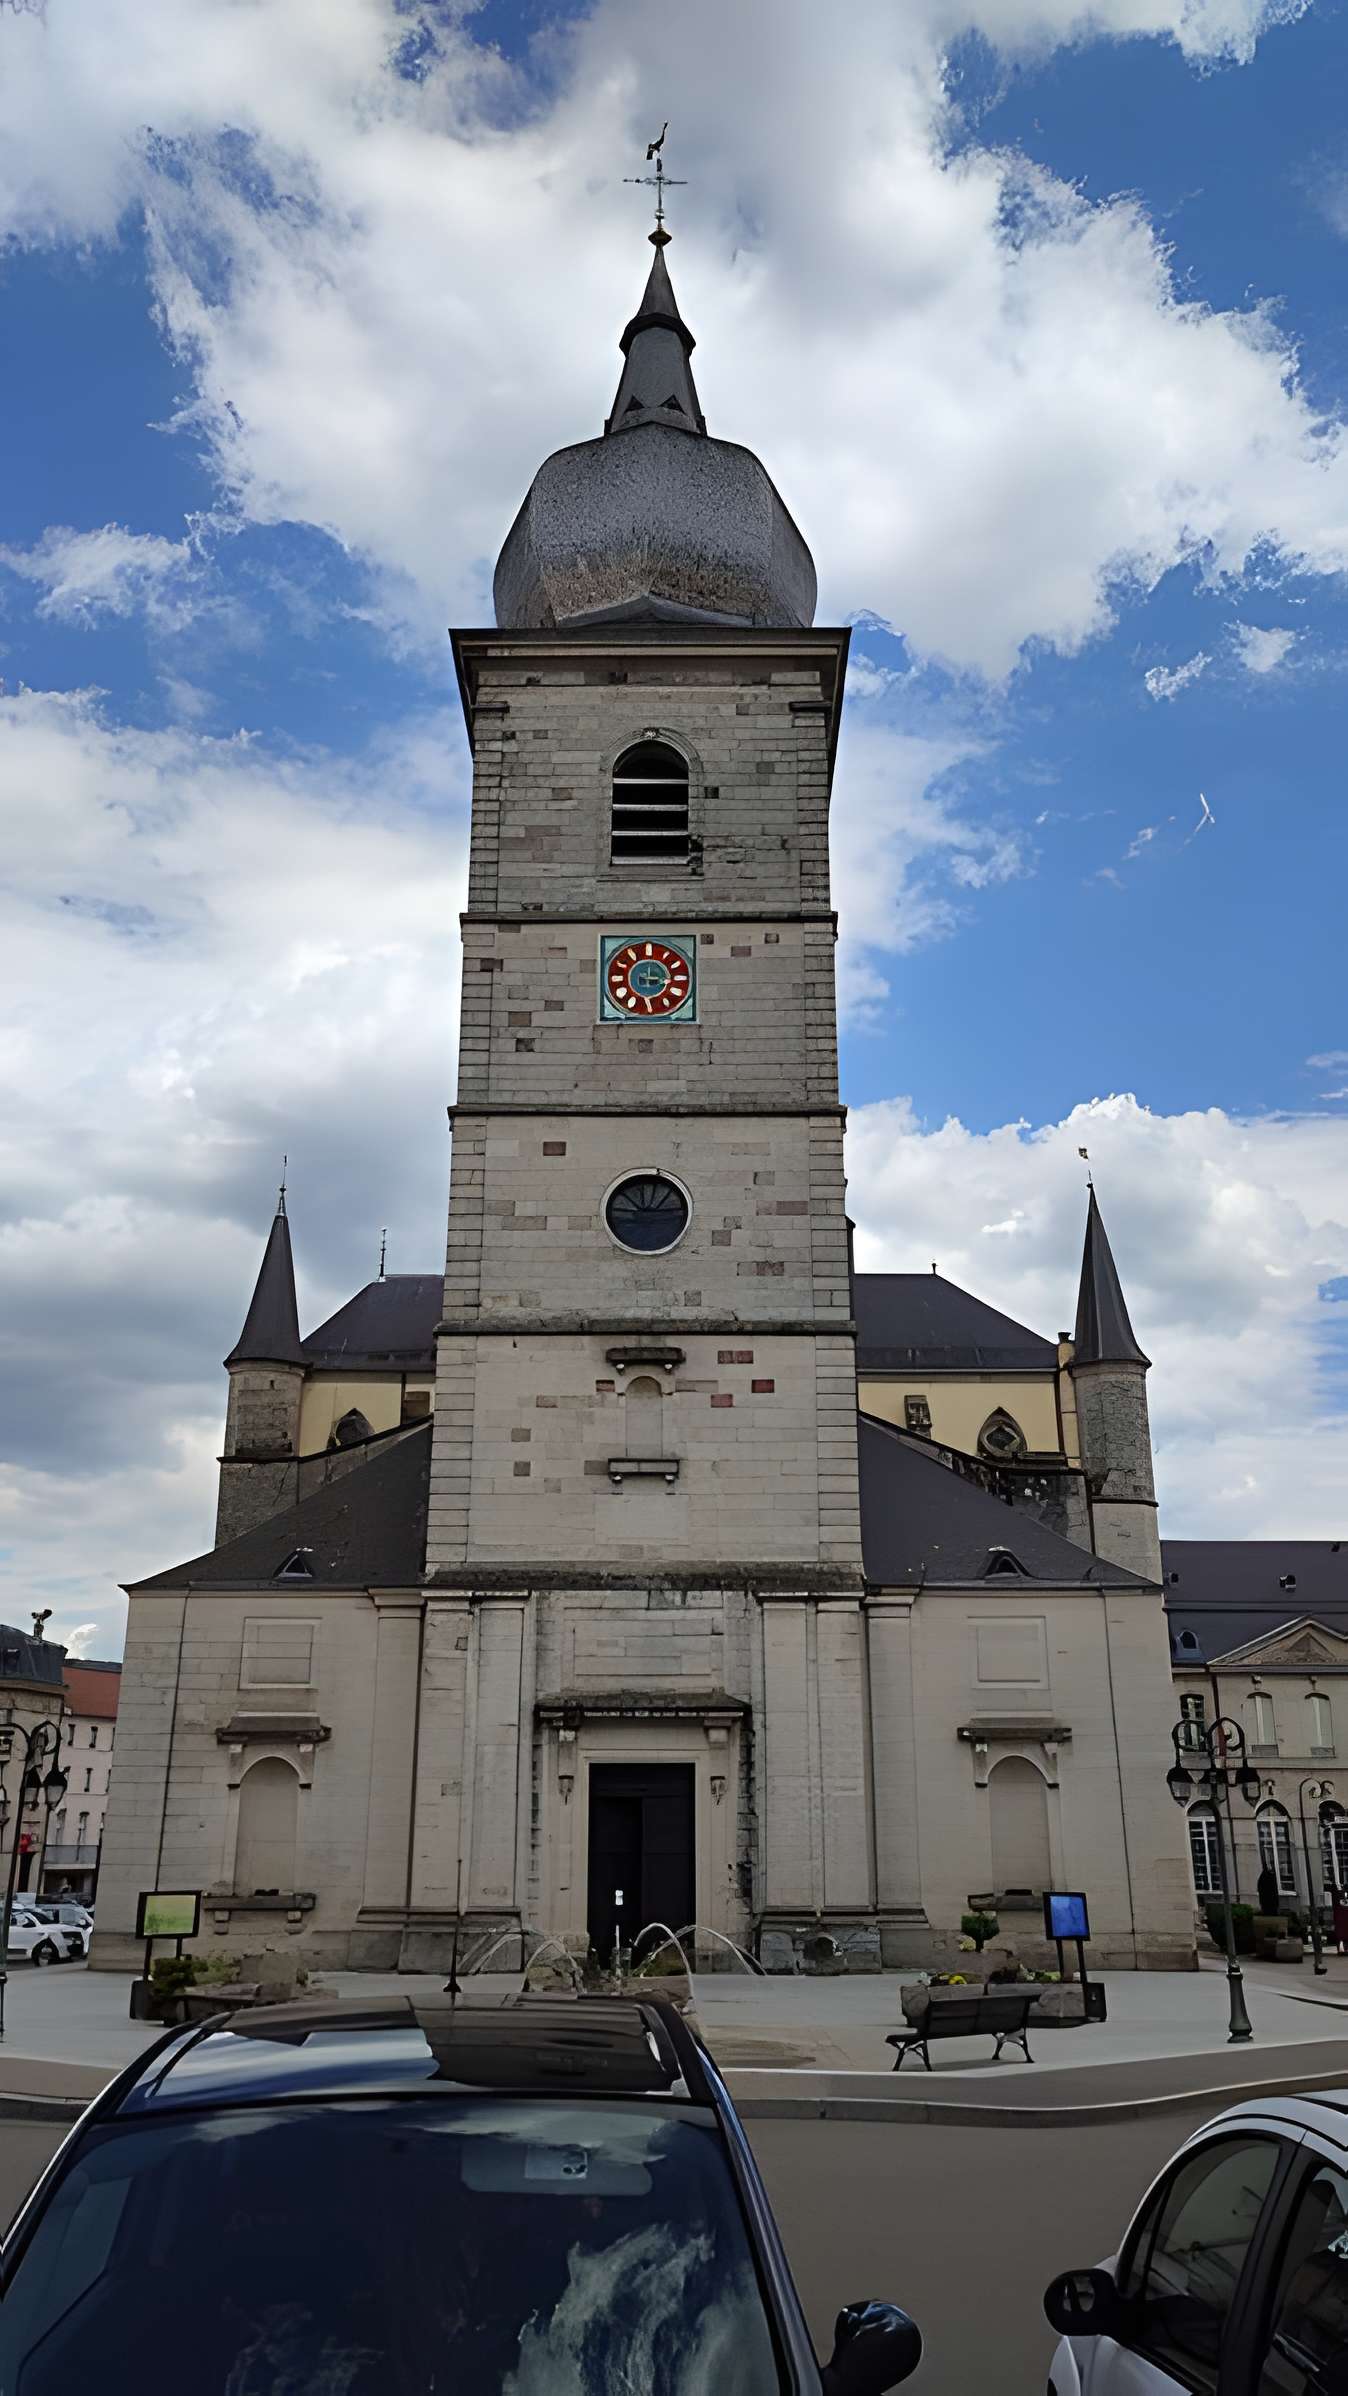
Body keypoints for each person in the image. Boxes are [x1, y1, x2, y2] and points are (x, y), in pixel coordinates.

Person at [1331, 1886, 1348, 1958]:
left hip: (1340, 1916)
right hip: (1342, 1916)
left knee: (1341, 1932)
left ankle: (1341, 1949)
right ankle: (1343, 1949)